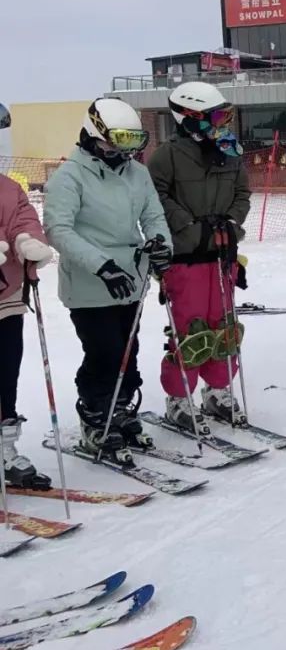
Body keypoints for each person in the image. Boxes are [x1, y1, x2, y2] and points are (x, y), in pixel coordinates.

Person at [44, 98, 172, 460]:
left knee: (128, 350)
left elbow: (153, 216)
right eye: (115, 143)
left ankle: (120, 406)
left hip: (130, 278)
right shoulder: (69, 176)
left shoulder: (137, 173)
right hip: (90, 282)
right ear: (92, 136)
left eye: (131, 144)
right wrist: (101, 266)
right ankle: (95, 414)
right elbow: (58, 230)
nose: (123, 153)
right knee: (104, 351)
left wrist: (161, 244)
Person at [149, 82, 251, 431]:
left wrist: (233, 222)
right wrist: (189, 227)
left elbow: (243, 192)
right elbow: (156, 196)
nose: (222, 122)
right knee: (191, 328)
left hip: (222, 252)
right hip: (187, 256)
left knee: (224, 325)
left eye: (224, 116)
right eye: (215, 116)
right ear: (189, 116)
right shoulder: (167, 156)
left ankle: (218, 389)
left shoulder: (229, 149)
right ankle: (179, 397)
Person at [0, 174, 53, 488]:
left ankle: (5, 450)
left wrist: (26, 240)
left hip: (6, 297)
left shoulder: (7, 188)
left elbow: (24, 218)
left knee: (6, 374)